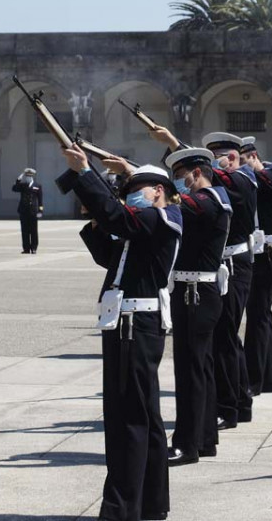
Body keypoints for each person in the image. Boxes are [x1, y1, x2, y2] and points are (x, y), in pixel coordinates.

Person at [59, 145, 181, 521]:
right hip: (126, 323)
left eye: (139, 187)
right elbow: (109, 254)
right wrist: (96, 213)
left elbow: (120, 218)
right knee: (143, 415)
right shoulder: (143, 224)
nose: (132, 193)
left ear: (159, 190)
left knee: (127, 417)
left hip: (134, 325)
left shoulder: (163, 217)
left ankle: (119, 510)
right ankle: (150, 503)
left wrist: (84, 173)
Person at [160, 148, 232, 467]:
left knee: (190, 371)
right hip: (197, 293)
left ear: (197, 172)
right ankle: (204, 439)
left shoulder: (208, 201)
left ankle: (186, 444)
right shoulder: (212, 200)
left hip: (195, 294)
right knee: (201, 369)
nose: (179, 182)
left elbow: (172, 206)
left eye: (181, 175)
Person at [241, 137, 272, 396]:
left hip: (268, 255)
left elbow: (265, 183)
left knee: (258, 315)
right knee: (262, 316)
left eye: (243, 160)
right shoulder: (251, 178)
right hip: (256, 253)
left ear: (254, 156)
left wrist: (246, 171)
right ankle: (269, 378)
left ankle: (254, 380)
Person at [12, 168, 44, 254]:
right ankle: (26, 248)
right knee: (24, 230)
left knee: (34, 230)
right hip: (23, 211)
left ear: (33, 176)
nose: (28, 178)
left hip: (33, 211)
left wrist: (40, 211)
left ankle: (34, 248)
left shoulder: (37, 185)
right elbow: (14, 188)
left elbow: (40, 200)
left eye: (29, 176)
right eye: (27, 176)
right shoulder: (23, 185)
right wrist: (19, 179)